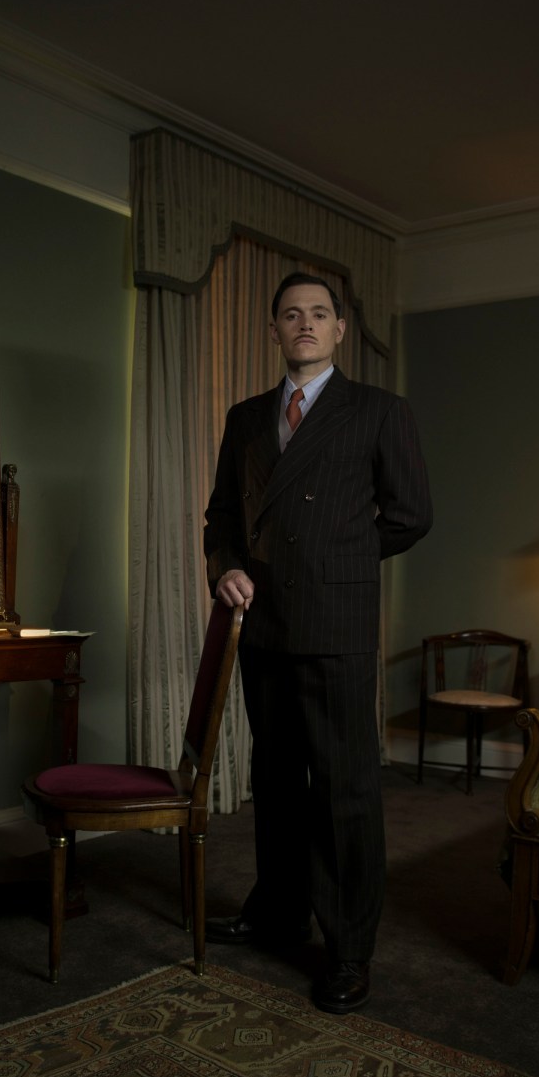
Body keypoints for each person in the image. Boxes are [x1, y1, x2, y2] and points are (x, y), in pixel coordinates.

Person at [203, 272, 433, 1014]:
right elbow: (220, 516)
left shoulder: (379, 410)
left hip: (334, 621)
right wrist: (227, 566)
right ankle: (277, 910)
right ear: (273, 330)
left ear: (338, 330)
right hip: (262, 620)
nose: (305, 323)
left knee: (344, 789)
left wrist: (335, 561)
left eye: (319, 314)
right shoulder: (245, 417)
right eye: (290, 314)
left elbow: (411, 515)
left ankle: (348, 947)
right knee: (274, 778)